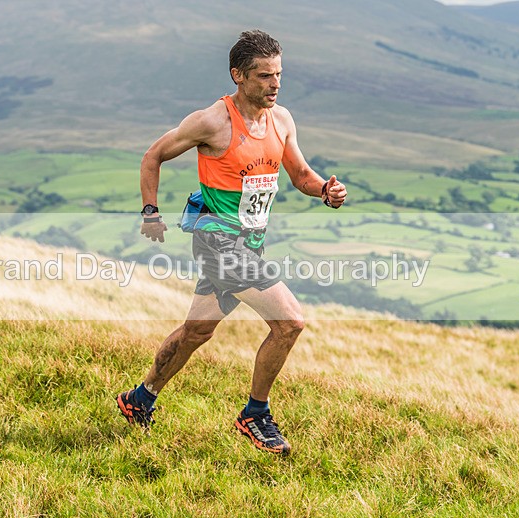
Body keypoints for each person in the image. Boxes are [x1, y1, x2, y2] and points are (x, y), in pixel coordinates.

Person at [117, 30, 347, 455]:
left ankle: (140, 398)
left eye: (279, 74)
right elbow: (153, 156)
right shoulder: (212, 121)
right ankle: (255, 414)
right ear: (238, 75)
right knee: (290, 322)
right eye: (264, 76)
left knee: (196, 332)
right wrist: (150, 212)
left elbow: (300, 175)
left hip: (249, 244)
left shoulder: (281, 120)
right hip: (217, 242)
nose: (275, 84)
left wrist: (324, 191)